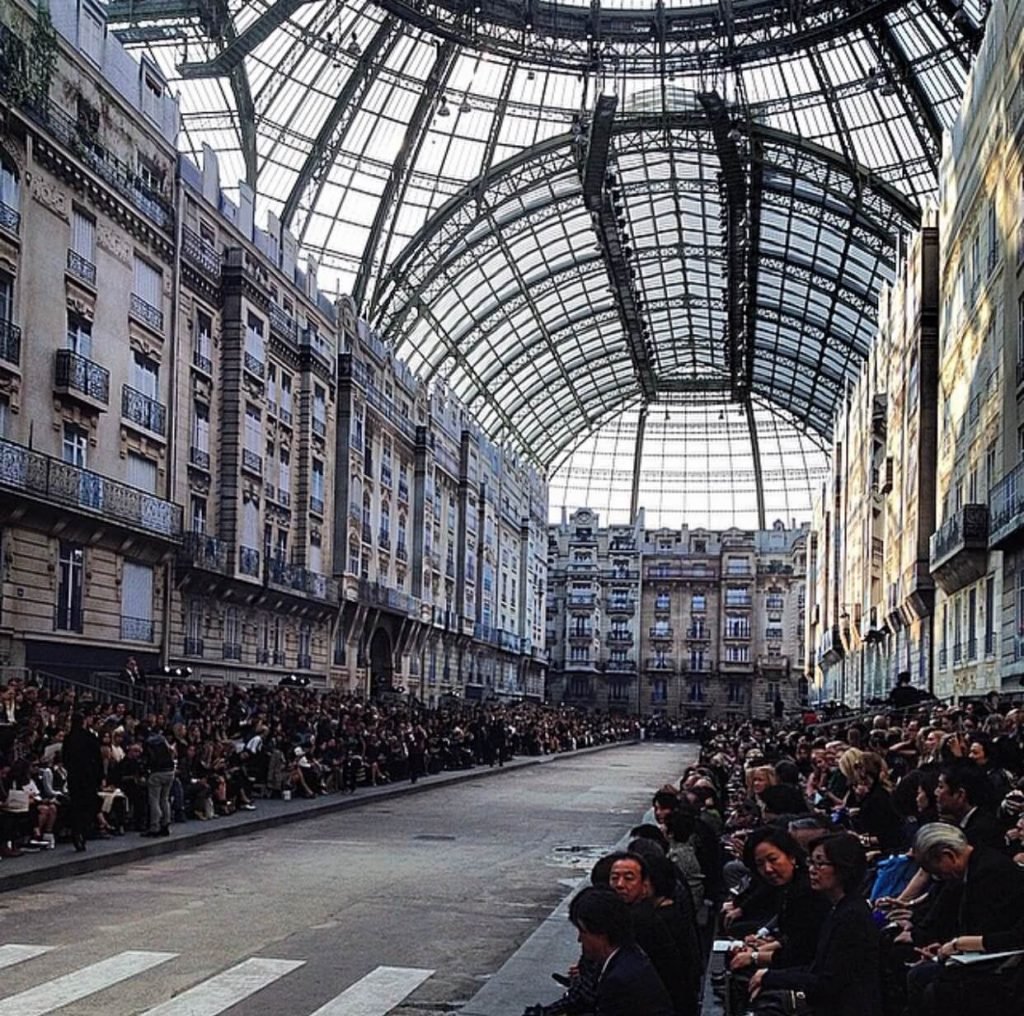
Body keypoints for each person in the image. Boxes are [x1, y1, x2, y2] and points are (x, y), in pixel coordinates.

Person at [750, 834, 883, 1016]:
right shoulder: (839, 909)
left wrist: (768, 977)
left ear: (843, 868)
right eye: (811, 863)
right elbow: (817, 968)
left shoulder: (852, 917)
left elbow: (828, 982)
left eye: (820, 864)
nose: (812, 870)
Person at [567, 886, 673, 1016]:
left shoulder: (620, 978)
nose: (579, 939)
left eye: (583, 933)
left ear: (601, 933)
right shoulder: (624, 955)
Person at [61, 712, 103, 851]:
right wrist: (99, 776)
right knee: (88, 805)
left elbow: (65, 758)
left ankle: (76, 831)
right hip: (88, 777)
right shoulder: (90, 737)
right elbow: (98, 758)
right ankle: (83, 832)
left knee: (76, 805)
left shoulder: (68, 738)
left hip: (74, 777)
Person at [142, 729, 175, 837]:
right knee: (165, 799)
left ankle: (155, 826)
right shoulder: (162, 740)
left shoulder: (149, 743)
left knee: (154, 800)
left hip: (157, 772)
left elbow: (148, 759)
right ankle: (166, 823)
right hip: (170, 771)